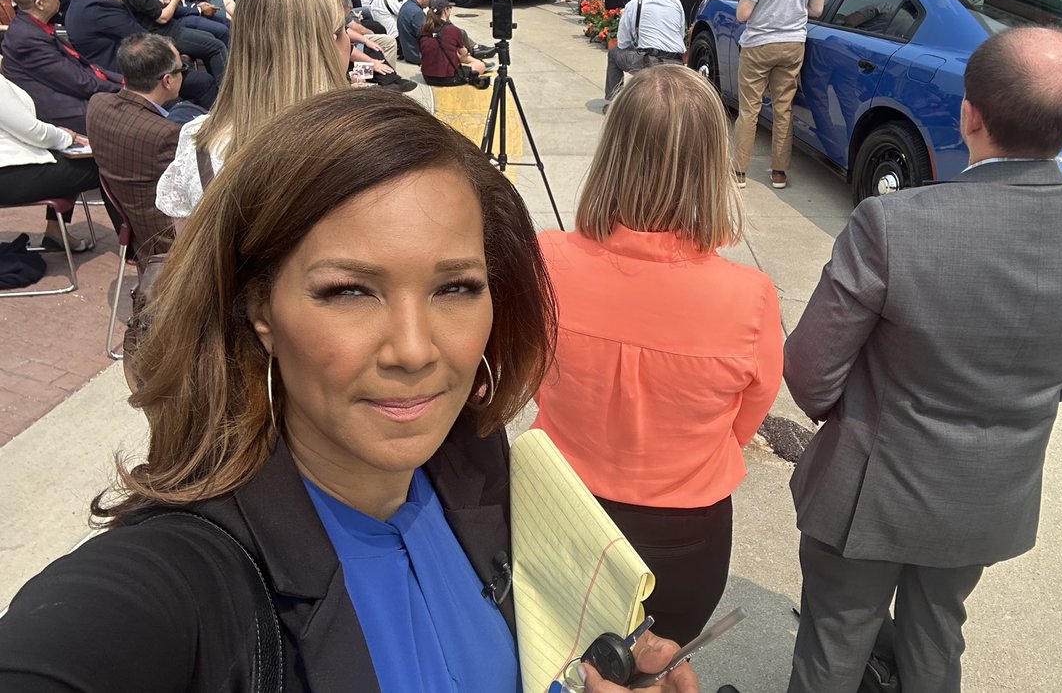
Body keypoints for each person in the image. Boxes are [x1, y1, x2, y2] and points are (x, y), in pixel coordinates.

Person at [0, 86, 699, 693]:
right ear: (259, 308)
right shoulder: (191, 581)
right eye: (349, 291)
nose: (416, 350)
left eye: (455, 287)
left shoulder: (476, 469)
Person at [783, 26, 1062, 693]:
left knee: (835, 642)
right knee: (936, 636)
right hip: (988, 488)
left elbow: (810, 374)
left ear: (969, 113)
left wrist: (863, 413)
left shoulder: (893, 223)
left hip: (870, 486)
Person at [538, 62, 781, 641]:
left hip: (562, 509)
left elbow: (522, 373)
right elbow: (747, 414)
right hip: (686, 533)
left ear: (612, 153)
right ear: (710, 166)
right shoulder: (749, 298)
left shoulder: (543, 259)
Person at [155, 0, 352, 228]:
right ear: (329, 43)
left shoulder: (199, 140)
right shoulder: (355, 148)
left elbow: (191, 253)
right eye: (344, 28)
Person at [732, 0, 825, 191]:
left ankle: (740, 171)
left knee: (749, 109)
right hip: (793, 42)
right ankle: (779, 172)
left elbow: (743, 13)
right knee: (783, 109)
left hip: (760, 42)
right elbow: (818, 9)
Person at [85, 34, 186, 261]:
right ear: (167, 80)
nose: (184, 74)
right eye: (183, 69)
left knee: (186, 110)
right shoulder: (166, 135)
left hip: (134, 226)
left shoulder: (98, 104)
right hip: (167, 243)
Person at [1, 0, 123, 134]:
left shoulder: (39, 24)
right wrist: (125, 90)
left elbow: (84, 66)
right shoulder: (26, 39)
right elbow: (78, 82)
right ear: (40, 3)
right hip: (69, 110)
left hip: (83, 89)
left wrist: (123, 82)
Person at [110, 0, 228, 95]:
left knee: (210, 38)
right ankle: (226, 92)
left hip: (169, 29)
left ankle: (218, 85)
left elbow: (147, 8)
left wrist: (161, 1)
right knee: (216, 46)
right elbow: (162, 18)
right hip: (167, 32)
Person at [0, 73, 98, 253]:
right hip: (7, 174)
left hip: (10, 167)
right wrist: (67, 136)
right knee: (100, 166)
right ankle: (138, 248)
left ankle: (56, 232)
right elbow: (33, 132)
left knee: (70, 157)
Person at [602, 0, 686, 105]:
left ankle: (613, 102)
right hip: (676, 60)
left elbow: (623, 42)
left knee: (614, 53)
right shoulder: (675, 1)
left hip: (649, 60)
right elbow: (681, 33)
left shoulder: (634, 4)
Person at [418, 0, 489, 88]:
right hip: (449, 78)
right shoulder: (453, 30)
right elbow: (463, 53)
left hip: (427, 77)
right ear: (445, 10)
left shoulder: (423, 29)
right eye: (449, 7)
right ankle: (481, 63)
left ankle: (476, 63)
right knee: (480, 65)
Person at [398, 0, 436, 65]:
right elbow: (427, 35)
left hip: (409, 52)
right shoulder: (416, 13)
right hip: (418, 55)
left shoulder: (406, 5)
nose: (431, 2)